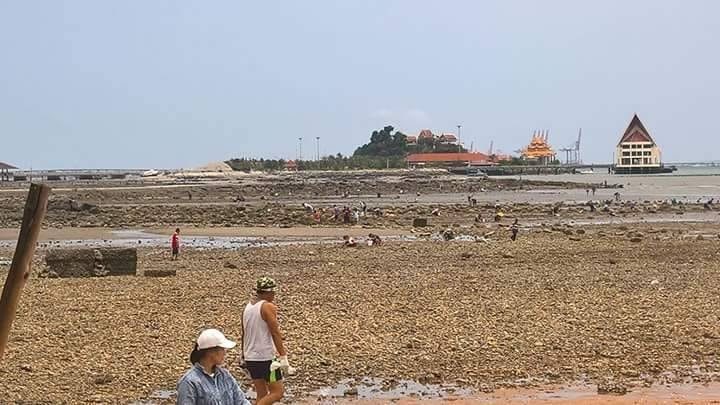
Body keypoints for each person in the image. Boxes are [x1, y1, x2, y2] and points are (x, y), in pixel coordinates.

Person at [242, 277, 290, 405]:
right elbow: (275, 332)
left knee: (262, 394)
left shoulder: (248, 307)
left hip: (250, 356)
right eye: (273, 293)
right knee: (277, 392)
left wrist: (243, 355)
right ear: (269, 292)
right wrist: (283, 356)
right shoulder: (267, 306)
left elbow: (244, 333)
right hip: (265, 357)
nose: (274, 295)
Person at [177, 329, 250, 405]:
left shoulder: (225, 376)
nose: (224, 353)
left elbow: (241, 401)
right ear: (210, 352)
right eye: (222, 349)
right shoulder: (189, 382)